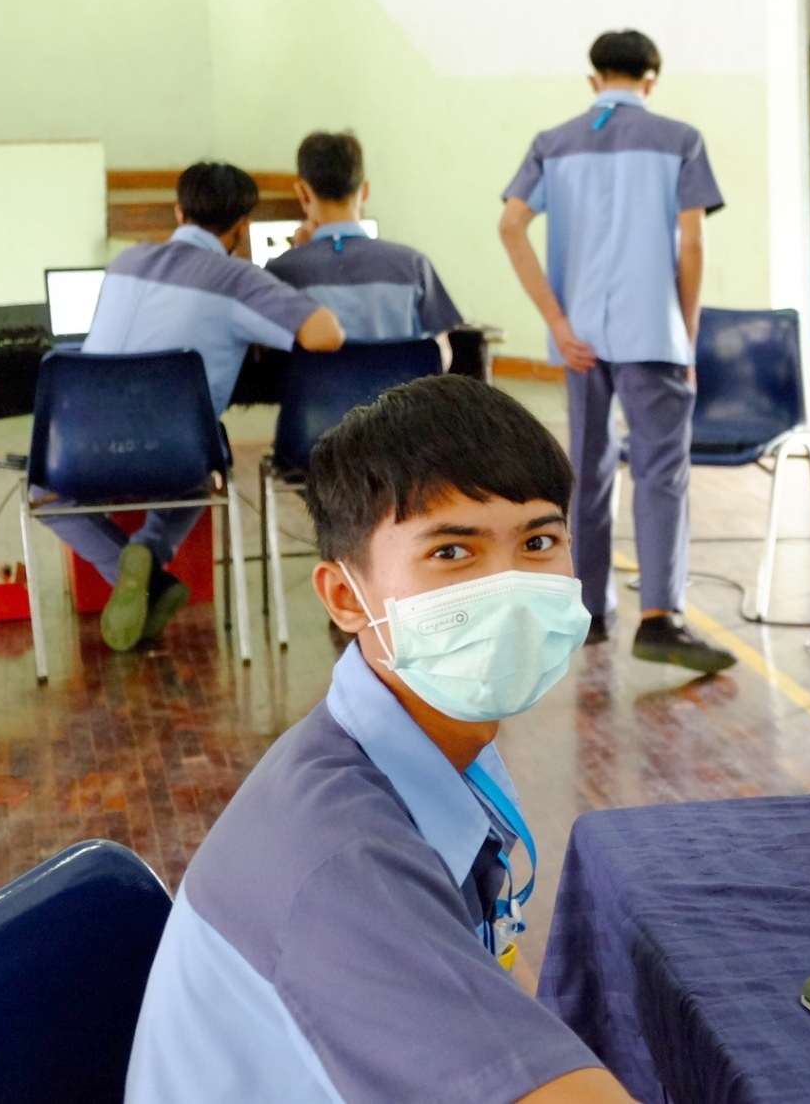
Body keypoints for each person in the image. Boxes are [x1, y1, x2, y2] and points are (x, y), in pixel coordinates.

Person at [123, 375, 633, 1103]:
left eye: (539, 540)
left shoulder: (440, 742)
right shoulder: (343, 860)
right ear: (343, 597)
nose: (511, 587)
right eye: (452, 552)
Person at [39, 162, 345, 652]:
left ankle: (135, 572)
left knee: (42, 492)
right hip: (176, 457)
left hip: (78, 452)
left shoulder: (125, 263)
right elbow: (325, 334)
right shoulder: (238, 280)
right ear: (241, 227)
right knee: (209, 455)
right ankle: (149, 550)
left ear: (179, 211)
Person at [499, 30, 728, 672]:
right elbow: (693, 246)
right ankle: (661, 616)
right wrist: (684, 332)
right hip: (652, 333)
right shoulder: (680, 139)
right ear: (651, 79)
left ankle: (590, 611)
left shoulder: (553, 142)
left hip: (578, 341)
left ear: (594, 79)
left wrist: (555, 319)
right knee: (660, 472)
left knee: (587, 470)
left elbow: (510, 225)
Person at [267, 131, 464, 364]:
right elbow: (440, 356)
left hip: (315, 401)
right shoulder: (415, 266)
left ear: (303, 193)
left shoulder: (278, 273)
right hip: (400, 400)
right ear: (366, 191)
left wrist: (298, 252)